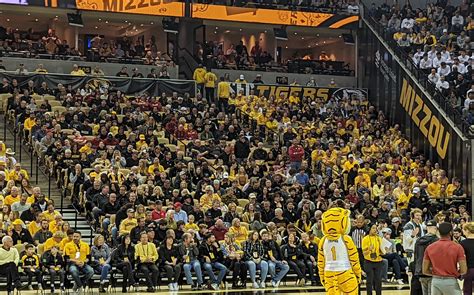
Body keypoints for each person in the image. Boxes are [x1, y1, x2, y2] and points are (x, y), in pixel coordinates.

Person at [423, 222, 467, 295]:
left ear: (438, 232)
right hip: (450, 281)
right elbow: (464, 269)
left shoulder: (430, 247)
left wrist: (435, 273)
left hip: (435, 281)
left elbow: (425, 270)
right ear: (451, 232)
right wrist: (456, 273)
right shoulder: (457, 247)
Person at [414, 220, 439, 295]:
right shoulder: (436, 240)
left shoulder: (418, 240)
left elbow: (416, 256)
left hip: (421, 270)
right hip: (432, 271)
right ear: (435, 228)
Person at [362, 224, 385, 295]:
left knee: (378, 280)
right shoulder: (365, 239)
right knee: (369, 280)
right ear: (369, 229)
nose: (375, 230)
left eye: (376, 228)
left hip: (378, 261)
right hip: (368, 262)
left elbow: (382, 252)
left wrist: (384, 251)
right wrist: (369, 249)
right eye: (373, 228)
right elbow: (364, 253)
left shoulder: (379, 238)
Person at [460, 222, 474, 295]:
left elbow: (461, 258)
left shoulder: (463, 243)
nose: (463, 231)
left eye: (463, 230)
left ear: (467, 230)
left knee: (467, 291)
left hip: (469, 269)